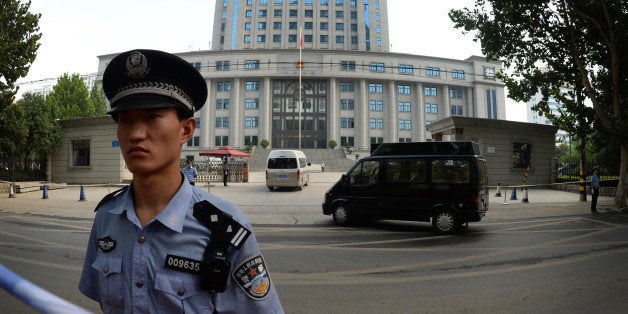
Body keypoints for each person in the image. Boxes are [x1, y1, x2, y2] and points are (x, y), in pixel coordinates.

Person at [78, 49, 284, 313]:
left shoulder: (225, 230)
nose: (136, 134)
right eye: (126, 119)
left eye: (152, 116)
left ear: (186, 130)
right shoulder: (107, 217)